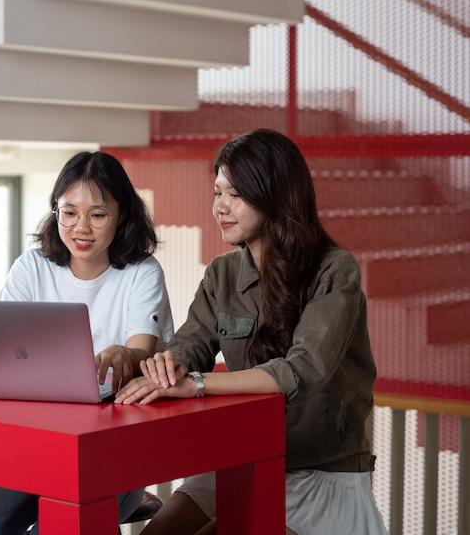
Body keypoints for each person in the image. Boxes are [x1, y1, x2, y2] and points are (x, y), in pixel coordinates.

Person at [115, 129, 387, 535]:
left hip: (318, 472)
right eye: (217, 192)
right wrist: (167, 365)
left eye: (235, 195)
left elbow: (301, 371)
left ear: (275, 196)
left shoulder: (335, 270)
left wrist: (195, 385)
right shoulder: (222, 273)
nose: (220, 207)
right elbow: (191, 345)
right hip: (244, 456)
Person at [0, 150, 175, 534]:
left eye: (97, 214)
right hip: (37, 445)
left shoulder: (142, 272)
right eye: (68, 212)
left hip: (113, 451)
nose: (80, 227)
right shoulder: (32, 266)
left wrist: (127, 355)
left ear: (122, 214)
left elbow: (141, 350)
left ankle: (132, 496)